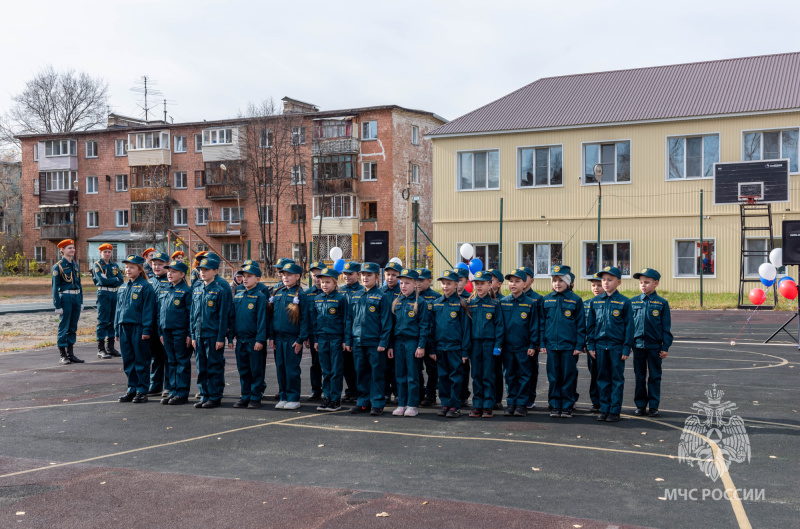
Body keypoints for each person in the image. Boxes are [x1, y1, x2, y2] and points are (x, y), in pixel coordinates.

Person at [586, 266, 633, 423]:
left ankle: (614, 410)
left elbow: (629, 327)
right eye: (603, 280)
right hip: (600, 347)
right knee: (602, 378)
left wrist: (626, 347)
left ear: (618, 282)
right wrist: (591, 345)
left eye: (610, 280)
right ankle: (604, 409)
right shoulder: (595, 302)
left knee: (616, 379)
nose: (605, 283)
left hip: (616, 347)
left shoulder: (624, 302)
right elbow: (590, 327)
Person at [345, 262, 392, 415]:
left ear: (377, 277)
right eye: (363, 274)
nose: (365, 277)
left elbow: (386, 322)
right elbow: (349, 320)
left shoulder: (381, 296)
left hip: (374, 343)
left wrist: (383, 342)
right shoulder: (356, 295)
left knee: (376, 373)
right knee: (361, 372)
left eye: (369, 275)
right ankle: (363, 401)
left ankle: (377, 403)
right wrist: (349, 340)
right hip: (358, 341)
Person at [541, 265, 585, 419]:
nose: (557, 283)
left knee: (568, 376)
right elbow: (542, 324)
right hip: (552, 345)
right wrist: (542, 343)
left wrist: (579, 345)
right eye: (554, 280)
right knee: (553, 376)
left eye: (560, 280)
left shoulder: (575, 300)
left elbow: (581, 325)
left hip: (569, 347)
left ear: (568, 281)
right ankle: (554, 404)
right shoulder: (546, 300)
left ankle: (567, 405)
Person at [190, 255, 232, 409]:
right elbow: (193, 315)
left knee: (214, 366)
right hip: (199, 335)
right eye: (201, 269)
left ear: (215, 271)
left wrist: (221, 337)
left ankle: (214, 396)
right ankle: (204, 395)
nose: (203, 272)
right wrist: (193, 335)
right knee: (201, 367)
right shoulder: (197, 289)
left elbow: (222, 317)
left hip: (213, 335)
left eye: (206, 270)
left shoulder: (219, 290)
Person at [631, 268, 673, 418]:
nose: (643, 285)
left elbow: (666, 327)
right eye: (641, 282)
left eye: (647, 282)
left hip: (655, 346)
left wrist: (665, 346)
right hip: (637, 346)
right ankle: (640, 405)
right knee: (639, 376)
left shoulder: (661, 303)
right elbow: (629, 326)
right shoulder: (633, 302)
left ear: (656, 283)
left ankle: (654, 406)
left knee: (655, 376)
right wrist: (628, 344)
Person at [114, 254, 156, 403]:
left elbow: (148, 311)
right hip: (124, 327)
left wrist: (146, 330)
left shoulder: (146, 287)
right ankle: (131, 388)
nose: (128, 270)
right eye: (126, 267)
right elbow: (118, 309)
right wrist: (116, 328)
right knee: (128, 360)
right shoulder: (123, 287)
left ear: (140, 269)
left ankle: (142, 390)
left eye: (131, 267)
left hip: (138, 328)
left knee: (141, 360)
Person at [388, 269, 430, 417]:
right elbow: (392, 326)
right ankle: (401, 404)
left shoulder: (420, 302)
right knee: (399, 375)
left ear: (415, 284)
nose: (403, 286)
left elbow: (424, 326)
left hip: (413, 343)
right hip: (399, 343)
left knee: (412, 375)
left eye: (407, 283)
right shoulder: (396, 302)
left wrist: (421, 346)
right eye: (401, 283)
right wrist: (391, 346)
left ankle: (412, 404)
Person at [499, 269, 539, 417]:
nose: (513, 284)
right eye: (511, 281)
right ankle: (511, 403)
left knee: (524, 375)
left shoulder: (530, 303)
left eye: (517, 281)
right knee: (509, 375)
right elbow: (499, 326)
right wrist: (499, 344)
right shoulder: (503, 303)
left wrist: (532, 344)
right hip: (507, 347)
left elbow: (534, 326)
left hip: (523, 348)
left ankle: (521, 404)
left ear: (524, 284)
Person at [430, 269, 470, 418]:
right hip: (440, 348)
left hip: (455, 349)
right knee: (443, 377)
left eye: (449, 284)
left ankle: (455, 405)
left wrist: (465, 352)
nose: (445, 287)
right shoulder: (436, 304)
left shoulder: (461, 304)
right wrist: (432, 349)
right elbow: (432, 329)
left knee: (456, 378)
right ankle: (445, 403)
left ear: (455, 285)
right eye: (443, 284)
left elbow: (466, 330)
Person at [229, 262, 269, 409]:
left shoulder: (259, 296)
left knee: (256, 370)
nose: (245, 279)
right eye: (243, 276)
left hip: (254, 341)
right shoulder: (238, 296)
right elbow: (233, 318)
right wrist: (231, 337)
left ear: (257, 279)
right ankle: (245, 395)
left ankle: (255, 396)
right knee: (244, 369)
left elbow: (262, 320)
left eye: (249, 277)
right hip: (241, 340)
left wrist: (260, 339)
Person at [270, 261, 308, 410]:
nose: (285, 277)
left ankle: (293, 397)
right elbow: (272, 316)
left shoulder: (300, 294)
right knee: (280, 368)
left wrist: (300, 339)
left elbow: (305, 319)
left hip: (292, 338)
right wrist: (271, 336)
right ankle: (283, 395)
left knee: (292, 369)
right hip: (278, 338)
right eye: (283, 274)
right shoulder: (277, 292)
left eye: (289, 274)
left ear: (298, 276)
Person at [466, 271, 504, 418]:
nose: (479, 286)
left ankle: (488, 405)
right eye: (477, 283)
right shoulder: (470, 303)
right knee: (476, 375)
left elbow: (500, 326)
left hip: (489, 344)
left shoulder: (495, 304)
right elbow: (467, 327)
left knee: (488, 375)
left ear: (489, 285)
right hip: (475, 344)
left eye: (482, 283)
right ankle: (477, 405)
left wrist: (497, 345)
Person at [312, 267, 349, 412]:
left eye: (328, 282)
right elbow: (314, 322)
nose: (324, 285)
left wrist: (345, 340)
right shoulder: (317, 299)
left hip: (336, 339)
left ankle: (335, 399)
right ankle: (326, 397)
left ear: (334, 283)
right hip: (322, 339)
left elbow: (346, 320)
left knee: (336, 370)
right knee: (325, 370)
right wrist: (315, 339)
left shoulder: (341, 299)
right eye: (322, 282)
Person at [158, 260, 193, 405]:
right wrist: (160, 331)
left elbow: (192, 314)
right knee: (171, 362)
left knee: (181, 362)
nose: (169, 274)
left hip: (181, 331)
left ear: (182, 274)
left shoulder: (187, 291)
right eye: (169, 271)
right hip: (167, 331)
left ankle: (182, 393)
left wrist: (190, 334)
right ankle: (172, 391)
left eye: (173, 271)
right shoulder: (166, 289)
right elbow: (161, 312)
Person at [52, 239, 84, 365]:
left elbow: (79, 285)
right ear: (62, 250)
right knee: (63, 327)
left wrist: (81, 301)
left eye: (73, 248)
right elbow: (55, 287)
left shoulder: (75, 265)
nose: (72, 250)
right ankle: (62, 355)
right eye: (69, 248)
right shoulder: (58, 266)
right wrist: (57, 305)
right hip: (65, 298)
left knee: (73, 326)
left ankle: (70, 354)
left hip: (76, 298)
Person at [93, 243, 123, 359]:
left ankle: (110, 347)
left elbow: (120, 280)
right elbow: (101, 281)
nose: (107, 254)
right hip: (103, 294)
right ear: (101, 253)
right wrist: (113, 279)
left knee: (113, 320)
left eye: (109, 252)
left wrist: (111, 279)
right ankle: (101, 349)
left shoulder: (114, 265)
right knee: (102, 321)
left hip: (114, 293)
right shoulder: (98, 265)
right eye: (105, 252)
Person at [340, 261, 364, 403]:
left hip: (355, 332)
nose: (347, 276)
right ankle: (350, 390)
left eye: (350, 274)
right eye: (345, 274)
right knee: (345, 365)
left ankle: (358, 391)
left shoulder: (361, 291)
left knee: (357, 366)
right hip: (342, 332)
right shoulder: (340, 290)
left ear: (358, 275)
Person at [148, 252, 171, 397]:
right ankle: (155, 385)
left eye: (160, 264)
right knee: (155, 356)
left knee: (168, 356)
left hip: (166, 324)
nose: (156, 267)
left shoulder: (170, 281)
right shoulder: (149, 281)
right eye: (154, 263)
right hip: (152, 324)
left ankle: (168, 386)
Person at [521, 267, 544, 410]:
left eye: (525, 276)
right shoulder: (509, 299)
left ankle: (530, 398)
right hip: (516, 343)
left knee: (531, 371)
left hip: (531, 343)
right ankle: (518, 398)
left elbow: (540, 322)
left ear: (532, 280)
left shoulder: (537, 298)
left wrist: (537, 342)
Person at [415, 268, 439, 407]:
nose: (418, 283)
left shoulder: (435, 297)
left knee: (432, 370)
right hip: (416, 339)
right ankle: (419, 393)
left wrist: (433, 346)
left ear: (429, 281)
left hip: (430, 339)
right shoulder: (412, 296)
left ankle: (430, 395)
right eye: (416, 280)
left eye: (422, 280)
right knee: (417, 369)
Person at [381, 261, 403, 404]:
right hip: (383, 334)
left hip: (397, 333)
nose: (390, 278)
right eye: (388, 274)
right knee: (384, 366)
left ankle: (397, 392)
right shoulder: (380, 292)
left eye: (394, 275)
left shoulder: (401, 293)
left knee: (397, 366)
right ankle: (385, 392)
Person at [304, 261, 325, 401]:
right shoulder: (307, 294)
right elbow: (305, 316)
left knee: (331, 365)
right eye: (314, 275)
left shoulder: (333, 292)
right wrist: (305, 336)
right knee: (315, 363)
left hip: (329, 334)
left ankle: (333, 392)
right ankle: (316, 390)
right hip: (313, 334)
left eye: (319, 275)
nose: (317, 278)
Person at [583, 273, 603, 413]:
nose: (596, 288)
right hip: (591, 345)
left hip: (605, 344)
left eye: (599, 285)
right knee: (594, 373)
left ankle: (605, 400)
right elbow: (583, 326)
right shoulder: (586, 304)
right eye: (593, 285)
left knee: (606, 373)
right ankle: (595, 401)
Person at [455, 266, 472, 407]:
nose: (458, 283)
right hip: (453, 340)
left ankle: (463, 395)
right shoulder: (449, 298)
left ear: (466, 281)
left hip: (467, 339)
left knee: (464, 369)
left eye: (460, 280)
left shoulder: (470, 298)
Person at [489, 268, 505, 408]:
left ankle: (497, 398)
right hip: (484, 342)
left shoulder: (502, 301)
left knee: (496, 371)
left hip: (497, 343)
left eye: (491, 280)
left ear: (499, 284)